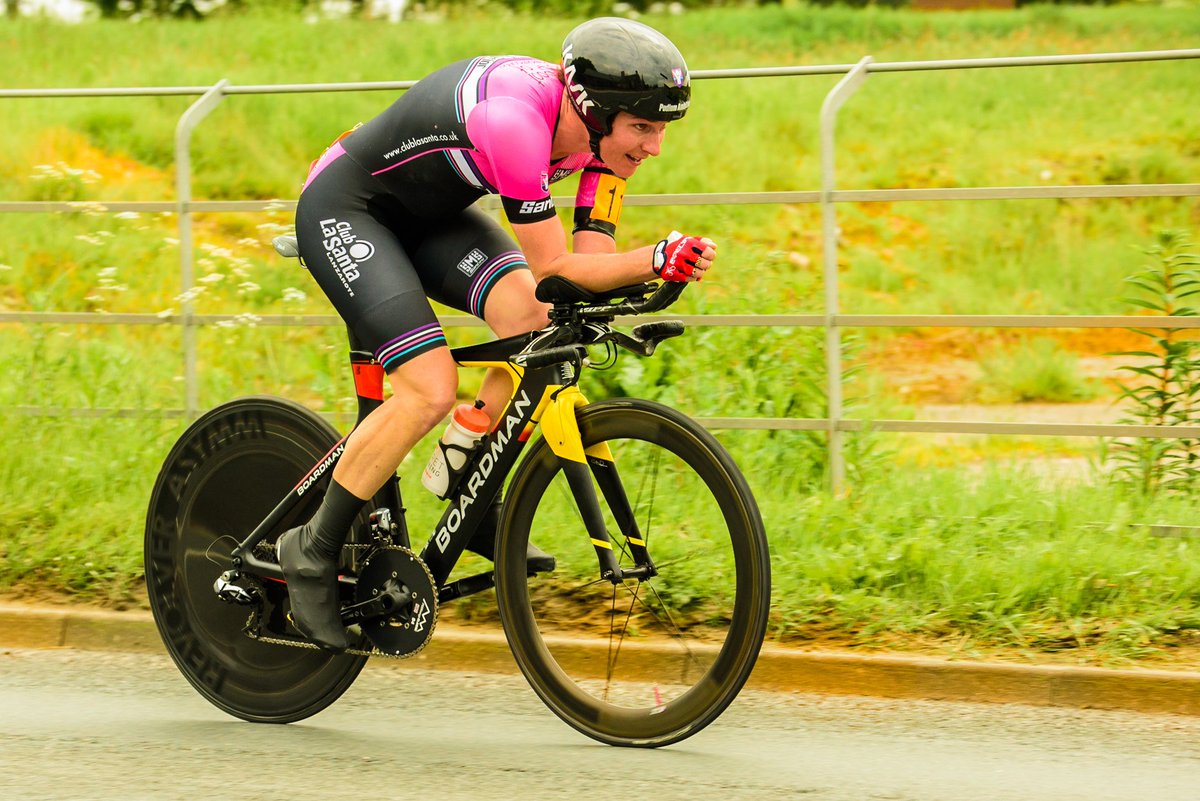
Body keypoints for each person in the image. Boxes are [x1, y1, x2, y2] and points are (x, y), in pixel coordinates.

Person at [278, 16, 718, 651]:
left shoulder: (605, 152)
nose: (655, 146)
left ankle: (466, 477)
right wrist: (654, 258)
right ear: (595, 111)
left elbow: (578, 281)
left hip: (429, 217)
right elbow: (555, 268)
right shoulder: (517, 122)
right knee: (427, 389)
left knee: (539, 324)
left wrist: (649, 276)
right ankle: (311, 551)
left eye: (662, 129)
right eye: (644, 128)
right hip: (351, 208)